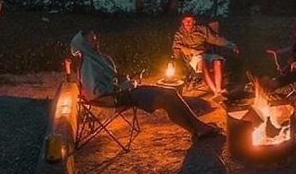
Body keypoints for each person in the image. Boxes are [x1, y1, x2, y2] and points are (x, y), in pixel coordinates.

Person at [70, 29, 220, 141]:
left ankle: (196, 129)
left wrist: (123, 80)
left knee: (170, 93)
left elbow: (110, 78)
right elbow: (96, 93)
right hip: (117, 98)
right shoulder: (89, 63)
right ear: (83, 45)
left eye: (96, 38)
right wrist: (122, 87)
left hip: (123, 93)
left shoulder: (98, 58)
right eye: (91, 40)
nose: (96, 41)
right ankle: (198, 128)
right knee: (168, 96)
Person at [171, 15, 238, 101]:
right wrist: (187, 52)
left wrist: (231, 45)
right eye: (186, 21)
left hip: (206, 53)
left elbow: (215, 39)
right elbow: (177, 46)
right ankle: (215, 92)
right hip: (193, 56)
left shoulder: (202, 30)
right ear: (183, 22)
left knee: (217, 61)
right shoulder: (179, 34)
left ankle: (218, 90)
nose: (188, 23)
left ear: (194, 22)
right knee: (203, 64)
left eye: (190, 21)